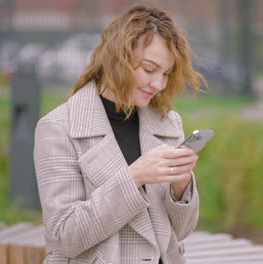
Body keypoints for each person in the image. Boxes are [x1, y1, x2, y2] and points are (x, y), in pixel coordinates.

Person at [33, 4, 207, 264]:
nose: (159, 84)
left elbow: (180, 233)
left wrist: (181, 187)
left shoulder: (167, 122)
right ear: (117, 58)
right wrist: (133, 177)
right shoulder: (59, 128)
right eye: (149, 70)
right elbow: (65, 237)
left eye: (166, 74)